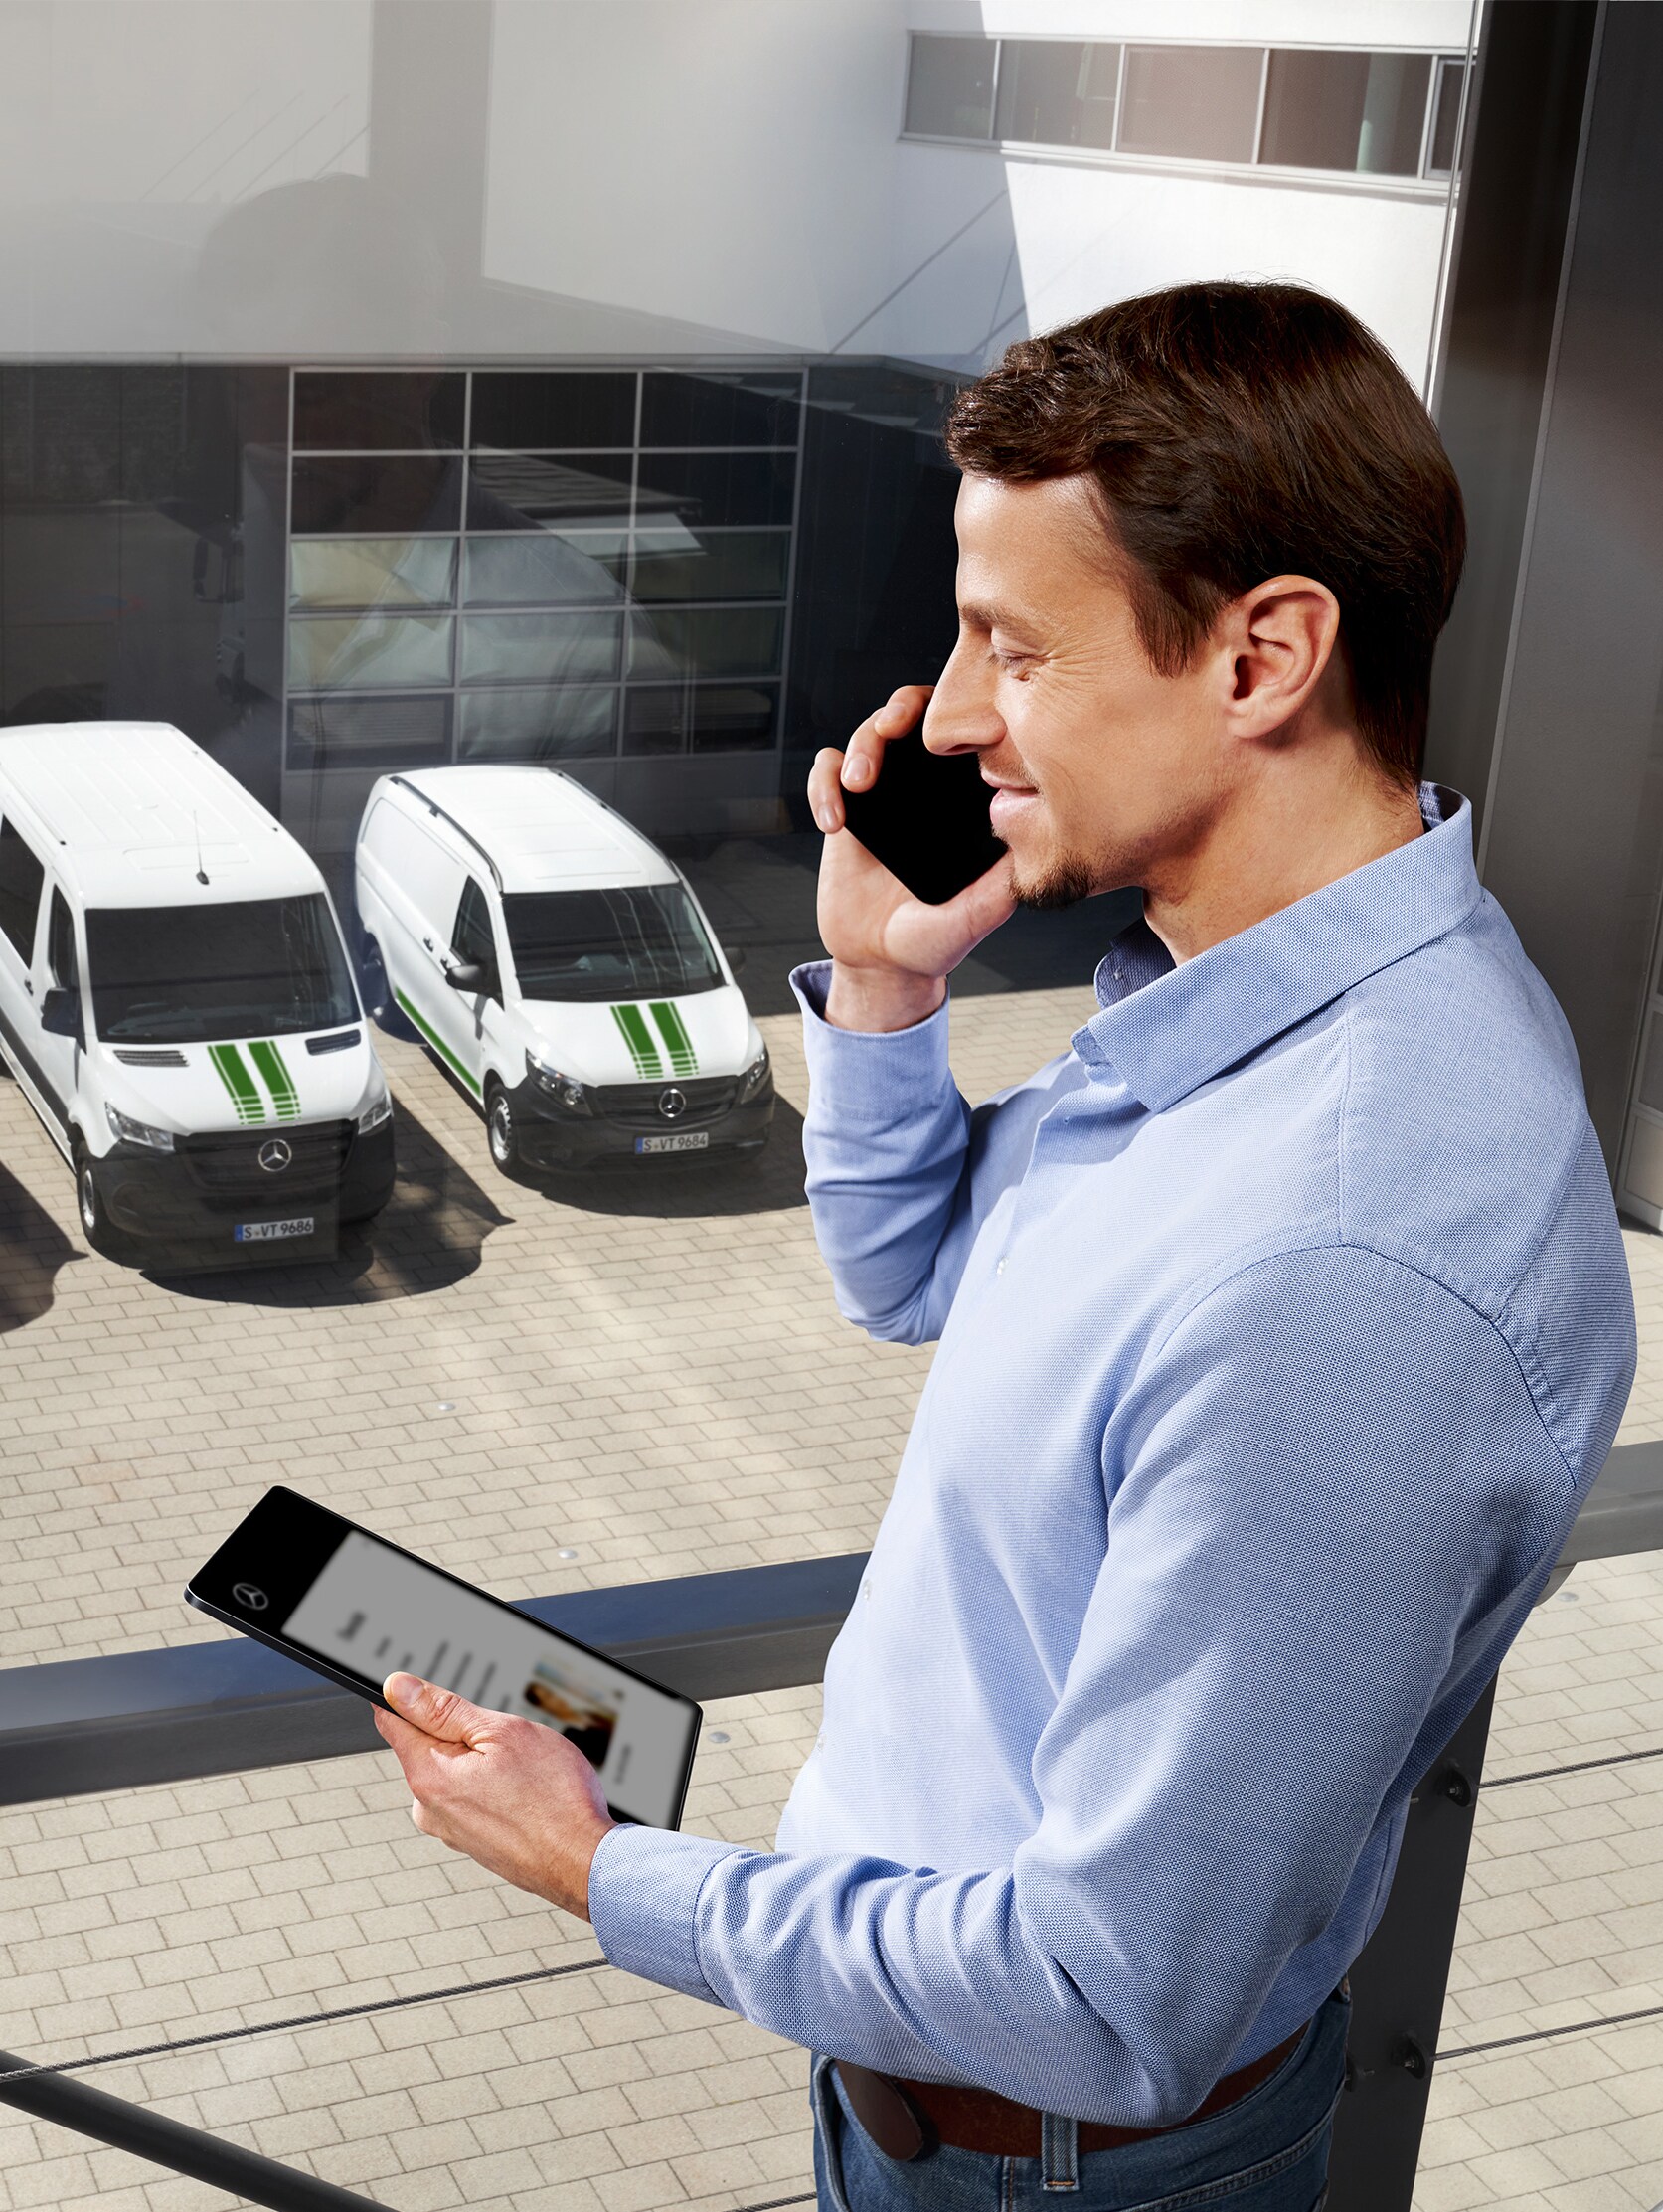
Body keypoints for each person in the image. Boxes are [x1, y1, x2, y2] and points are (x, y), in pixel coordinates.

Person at [374, 281, 1636, 2210]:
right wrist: (881, 986)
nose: (954, 721)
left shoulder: (1343, 1263)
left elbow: (1105, 1994)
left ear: (1262, 656)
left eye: (1012, 649)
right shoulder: (1245, 1013)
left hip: (1049, 2168)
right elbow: (920, 1278)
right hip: (941, 2121)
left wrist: (597, 1869)